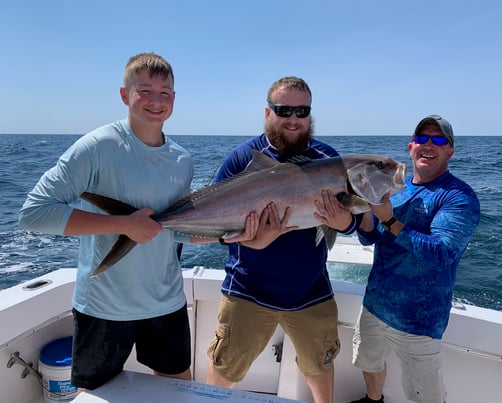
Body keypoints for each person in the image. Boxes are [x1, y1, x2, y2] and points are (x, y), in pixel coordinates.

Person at [18, 52, 258, 390]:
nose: (156, 101)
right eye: (145, 90)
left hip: (167, 303)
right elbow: (34, 213)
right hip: (103, 306)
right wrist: (123, 225)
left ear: (174, 99)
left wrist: (226, 235)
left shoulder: (181, 159)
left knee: (178, 388)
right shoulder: (98, 146)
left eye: (165, 92)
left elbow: (172, 231)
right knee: (95, 395)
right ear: (124, 94)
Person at [205, 76, 361, 403]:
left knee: (320, 370)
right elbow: (214, 219)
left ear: (310, 114)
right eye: (284, 109)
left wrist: (342, 220)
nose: (293, 119)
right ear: (268, 112)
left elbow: (351, 225)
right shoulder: (242, 157)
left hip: (310, 291)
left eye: (301, 111)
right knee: (223, 371)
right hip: (247, 289)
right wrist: (250, 240)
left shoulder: (328, 160)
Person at [349, 115, 480, 403]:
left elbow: (441, 254)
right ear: (410, 147)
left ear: (450, 151)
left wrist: (389, 219)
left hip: (419, 320)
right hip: (375, 304)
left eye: (439, 140)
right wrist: (362, 213)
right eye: (422, 139)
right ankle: (374, 400)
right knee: (369, 363)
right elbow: (370, 238)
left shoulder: (458, 197)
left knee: (426, 396)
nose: (428, 145)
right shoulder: (394, 187)